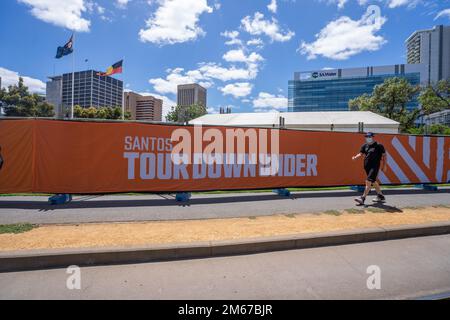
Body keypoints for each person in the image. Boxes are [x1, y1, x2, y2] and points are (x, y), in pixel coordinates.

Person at [352, 132, 387, 205]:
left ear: (373, 137)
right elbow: (361, 153)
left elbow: (384, 156)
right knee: (373, 181)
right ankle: (380, 196)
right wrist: (355, 157)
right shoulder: (365, 146)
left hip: (374, 166)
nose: (368, 138)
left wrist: (384, 165)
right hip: (367, 167)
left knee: (368, 181)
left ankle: (362, 198)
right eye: (366, 137)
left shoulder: (379, 146)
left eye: (369, 136)